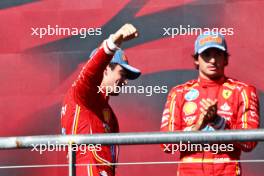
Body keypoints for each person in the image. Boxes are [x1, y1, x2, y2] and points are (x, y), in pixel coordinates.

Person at [160, 32, 260, 176]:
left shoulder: (243, 91)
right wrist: (197, 127)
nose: (212, 60)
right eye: (206, 54)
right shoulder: (179, 93)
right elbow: (166, 145)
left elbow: (250, 143)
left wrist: (218, 122)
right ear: (196, 60)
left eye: (218, 54)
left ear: (226, 59)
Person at [61, 24, 140, 176]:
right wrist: (112, 43)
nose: (125, 81)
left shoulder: (106, 110)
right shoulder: (82, 94)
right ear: (104, 70)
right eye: (122, 74)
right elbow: (90, 75)